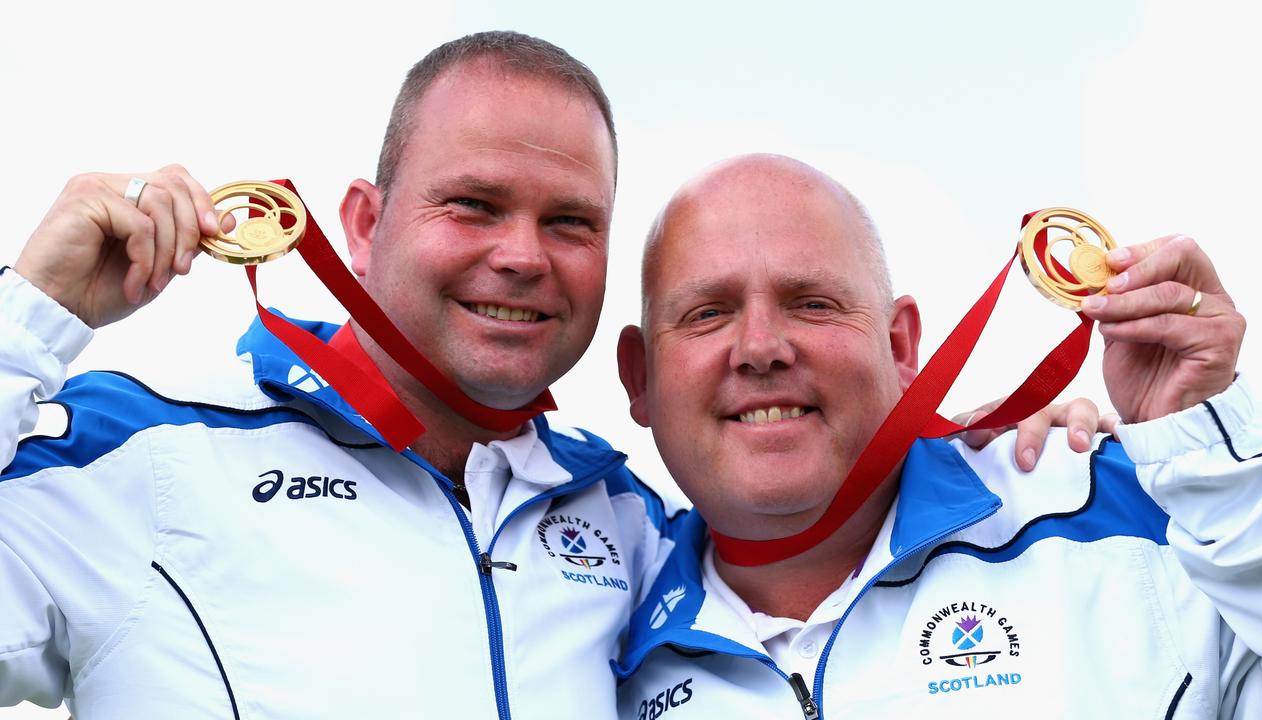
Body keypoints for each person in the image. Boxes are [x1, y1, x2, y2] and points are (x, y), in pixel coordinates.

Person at [0, 33, 1102, 717]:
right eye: (472, 204)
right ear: (363, 225)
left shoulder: (622, 522)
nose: (520, 255)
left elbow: (807, 542)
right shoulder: (132, 455)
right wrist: (29, 316)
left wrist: (978, 445)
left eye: (568, 222)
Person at [614, 154, 1262, 719]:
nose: (760, 349)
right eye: (708, 313)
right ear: (640, 377)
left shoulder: (1130, 521)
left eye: (812, 303)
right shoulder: (598, 633)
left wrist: (1212, 460)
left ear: (901, 347)